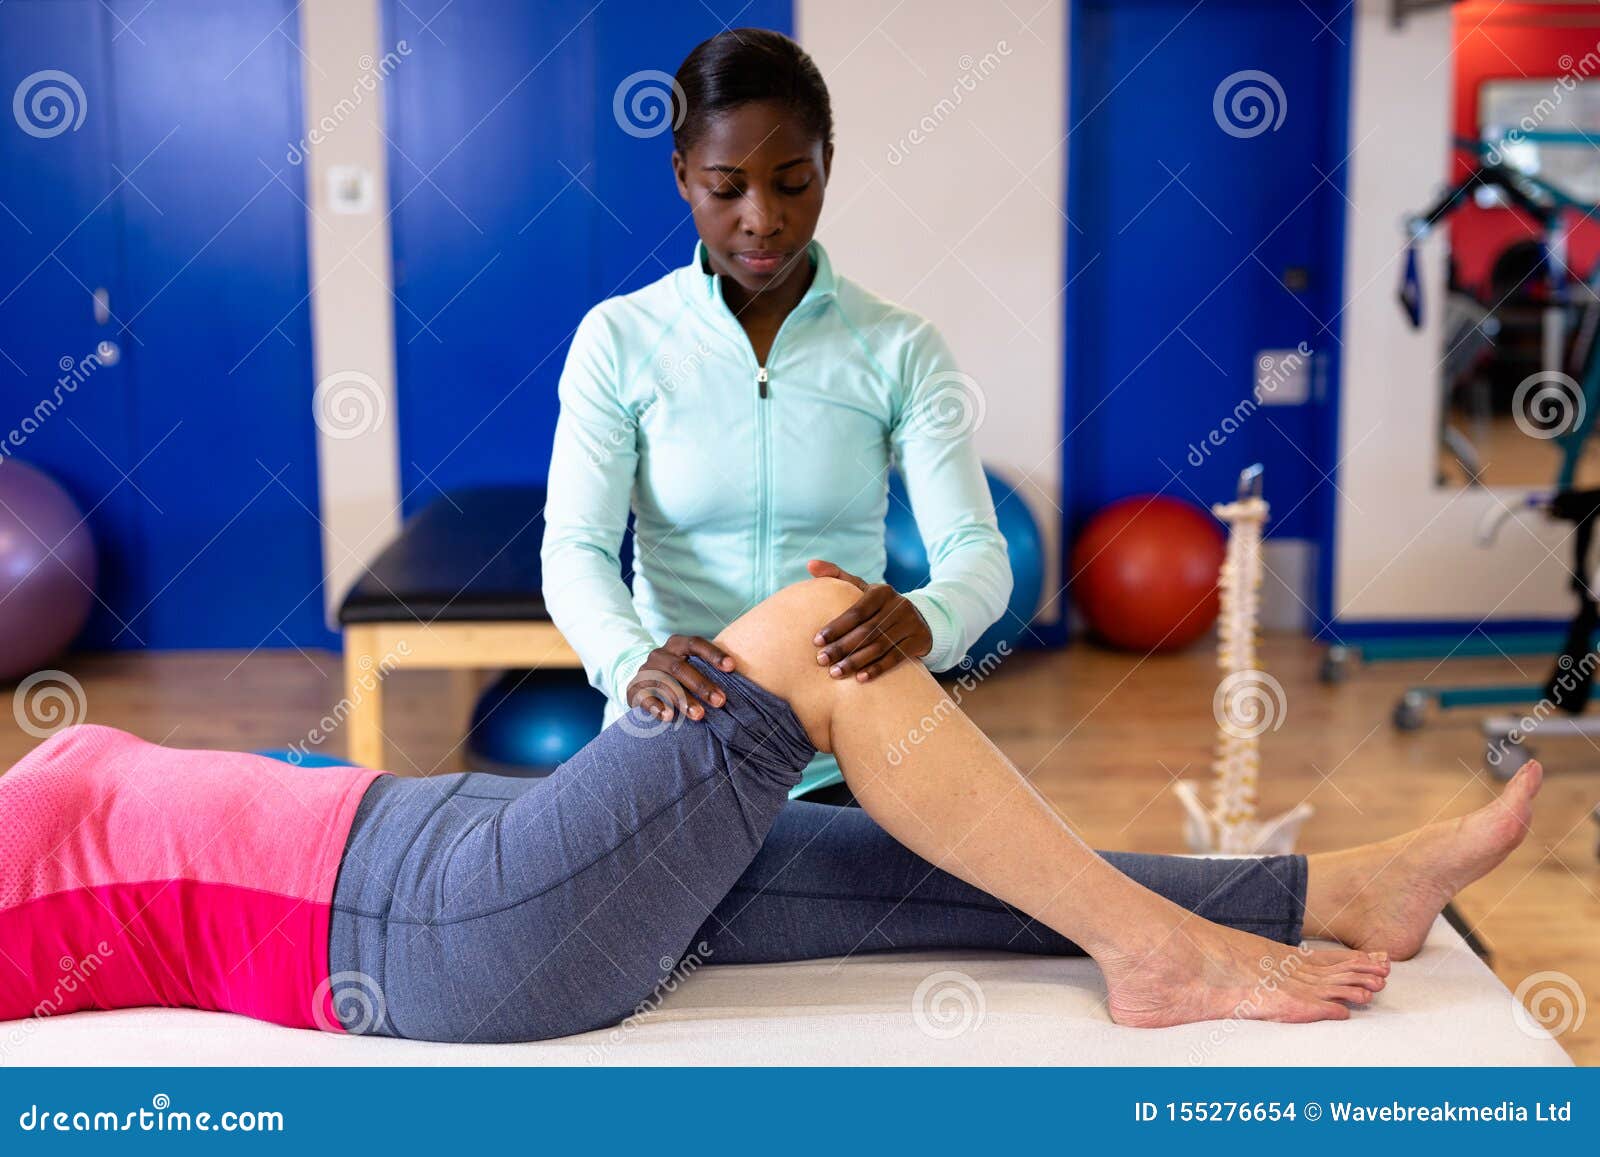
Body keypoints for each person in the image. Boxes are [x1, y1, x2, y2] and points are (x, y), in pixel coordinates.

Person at [0, 578, 1541, 1043]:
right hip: (434, 934)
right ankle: (1169, 957)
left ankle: (1327, 890)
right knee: (812, 625)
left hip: (454, 842)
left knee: (894, 861)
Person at [541, 29, 1013, 800]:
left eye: (793, 182)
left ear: (829, 164)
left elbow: (976, 551)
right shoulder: (619, 339)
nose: (762, 219)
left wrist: (929, 616)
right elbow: (575, 549)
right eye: (726, 188)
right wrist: (630, 660)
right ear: (682, 175)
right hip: (674, 737)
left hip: (850, 749)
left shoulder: (898, 346)